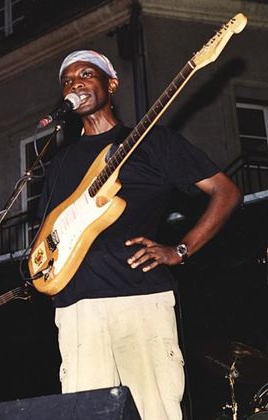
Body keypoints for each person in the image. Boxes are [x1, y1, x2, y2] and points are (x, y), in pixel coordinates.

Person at [37, 50, 241, 419]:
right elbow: (47, 232)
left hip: (139, 298)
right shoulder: (58, 163)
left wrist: (181, 249)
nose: (75, 83)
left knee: (155, 411)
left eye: (86, 74)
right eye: (67, 80)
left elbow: (226, 192)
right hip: (76, 308)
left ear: (111, 84)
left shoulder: (151, 141)